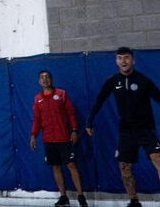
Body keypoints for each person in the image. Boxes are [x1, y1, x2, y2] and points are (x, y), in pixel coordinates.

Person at [87, 47, 160, 207]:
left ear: (133, 60)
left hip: (146, 129)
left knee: (158, 159)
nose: (124, 61)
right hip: (126, 132)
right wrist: (89, 122)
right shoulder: (112, 82)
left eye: (127, 58)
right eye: (120, 58)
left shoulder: (143, 80)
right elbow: (99, 101)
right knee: (124, 166)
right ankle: (134, 201)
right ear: (116, 61)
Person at [29, 70, 87, 207]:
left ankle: (81, 196)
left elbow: (71, 113)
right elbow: (37, 120)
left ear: (52, 80)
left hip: (64, 138)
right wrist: (33, 136)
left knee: (71, 165)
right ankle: (63, 197)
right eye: (42, 78)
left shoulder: (61, 94)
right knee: (56, 167)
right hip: (49, 140)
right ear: (39, 82)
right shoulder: (38, 99)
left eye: (47, 77)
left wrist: (74, 130)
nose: (45, 79)